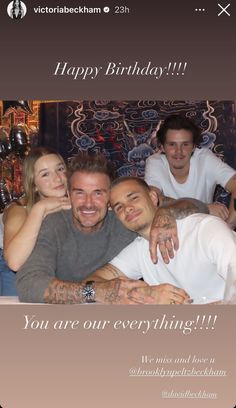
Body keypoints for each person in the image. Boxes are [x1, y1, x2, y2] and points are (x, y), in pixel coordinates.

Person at [16, 152, 206, 304]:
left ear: (110, 197)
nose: (88, 203)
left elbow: (197, 207)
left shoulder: (125, 218)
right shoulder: (54, 224)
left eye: (98, 193)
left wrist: (167, 213)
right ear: (68, 194)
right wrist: (95, 292)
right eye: (80, 193)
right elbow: (28, 284)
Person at [106, 177, 236, 304]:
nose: (127, 208)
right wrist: (143, 292)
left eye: (134, 198)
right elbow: (95, 281)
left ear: (153, 197)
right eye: (119, 207)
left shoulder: (205, 229)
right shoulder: (138, 249)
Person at [144, 114, 236, 229]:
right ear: (162, 147)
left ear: (193, 147)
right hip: (171, 229)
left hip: (203, 228)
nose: (179, 151)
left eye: (185, 144)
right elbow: (154, 199)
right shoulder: (155, 163)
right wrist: (203, 208)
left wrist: (231, 223)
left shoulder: (205, 158)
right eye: (172, 144)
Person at [1, 147, 70, 295]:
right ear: (34, 184)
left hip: (52, 272)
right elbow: (15, 262)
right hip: (15, 277)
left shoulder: (78, 203)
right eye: (45, 174)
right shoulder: (19, 210)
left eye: (60, 169)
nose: (58, 178)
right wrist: (40, 209)